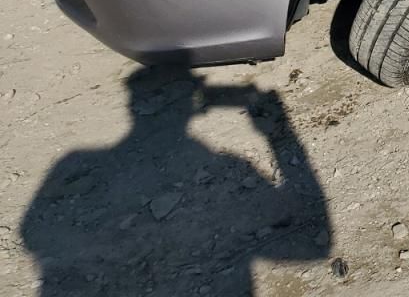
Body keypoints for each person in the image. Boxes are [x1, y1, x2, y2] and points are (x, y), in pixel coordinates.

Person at [21, 67, 330, 296]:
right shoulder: (229, 164)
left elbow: (32, 234)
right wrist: (280, 134)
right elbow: (315, 247)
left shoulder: (73, 160)